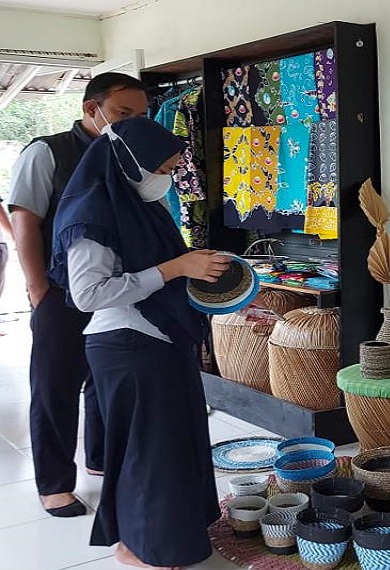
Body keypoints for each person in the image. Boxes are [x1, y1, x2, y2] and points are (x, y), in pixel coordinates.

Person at [49, 116, 228, 568]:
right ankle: (148, 549)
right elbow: (88, 294)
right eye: (163, 169)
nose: (166, 179)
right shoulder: (92, 213)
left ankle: (146, 538)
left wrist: (199, 269)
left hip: (157, 340)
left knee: (167, 446)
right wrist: (175, 269)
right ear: (132, 162)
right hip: (127, 344)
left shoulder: (135, 201)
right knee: (150, 455)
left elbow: (163, 261)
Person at [6, 72, 149, 517]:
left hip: (116, 289)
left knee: (105, 374)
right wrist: (38, 288)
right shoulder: (47, 151)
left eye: (140, 116)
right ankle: (54, 484)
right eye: (123, 113)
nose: (131, 123)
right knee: (55, 384)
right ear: (92, 108)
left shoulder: (127, 154)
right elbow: (25, 221)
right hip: (61, 290)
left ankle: (100, 457)